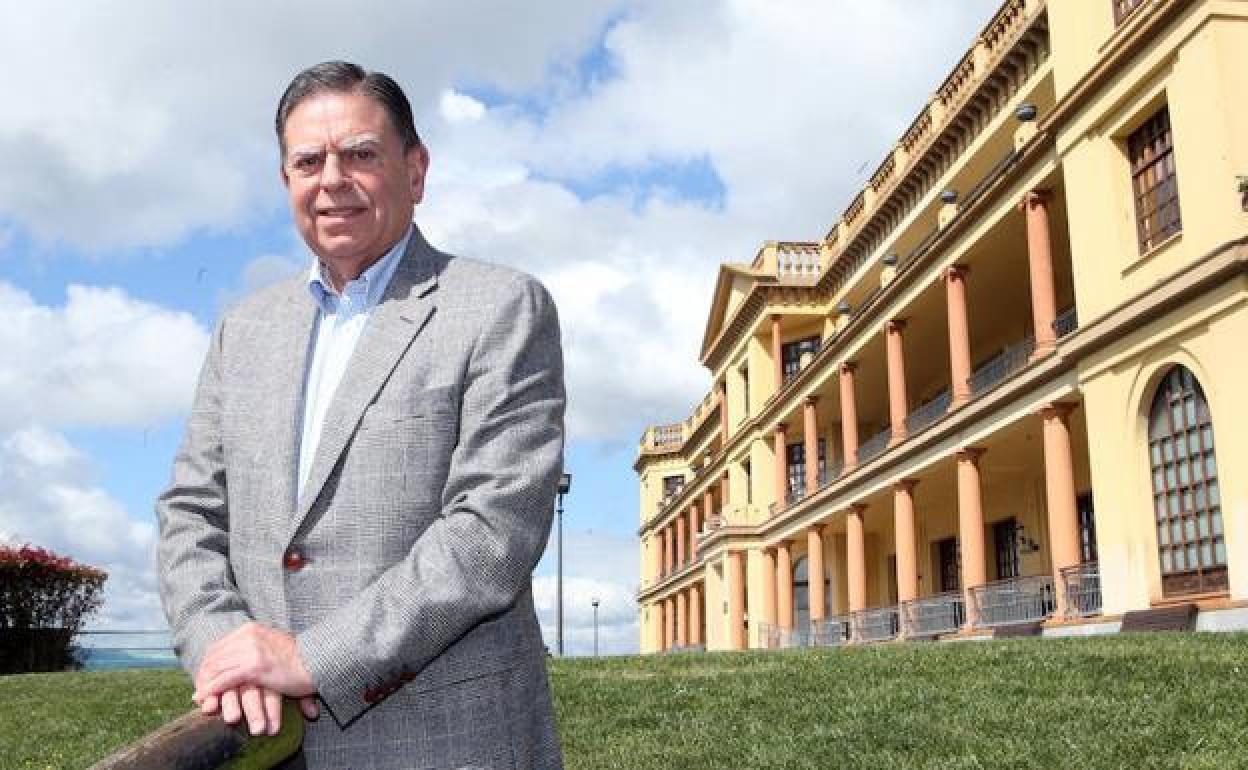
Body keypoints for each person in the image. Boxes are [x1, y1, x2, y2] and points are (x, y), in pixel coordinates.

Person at [156, 60, 566, 769]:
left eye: (361, 154)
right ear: (286, 180)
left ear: (416, 170)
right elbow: (191, 510)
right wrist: (223, 646)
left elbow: (491, 531)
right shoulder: (241, 331)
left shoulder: (500, 307)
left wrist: (312, 659)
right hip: (268, 746)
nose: (332, 179)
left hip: (448, 746)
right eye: (308, 161)